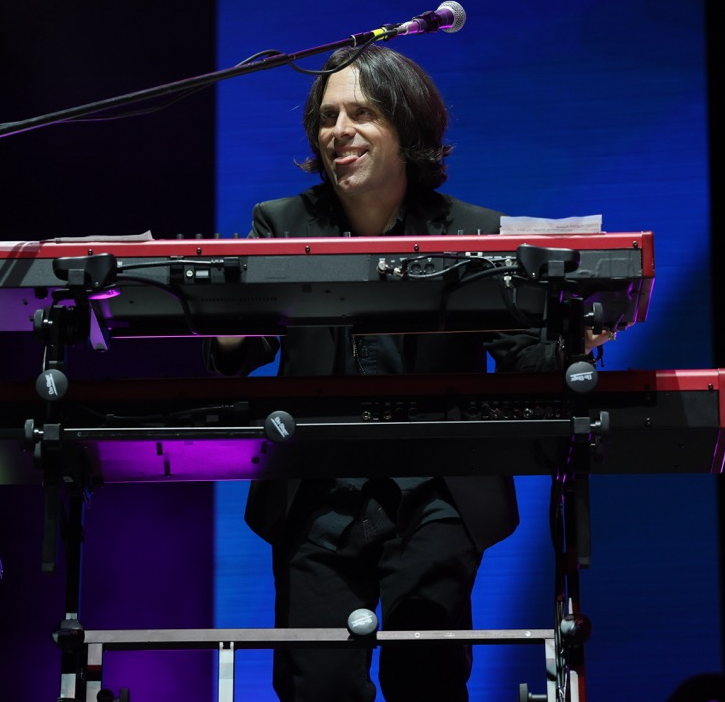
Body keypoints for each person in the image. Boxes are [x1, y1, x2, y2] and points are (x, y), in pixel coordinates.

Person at [205, 43, 613, 702]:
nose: (338, 131)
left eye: (361, 113)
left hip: (437, 492)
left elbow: (522, 357)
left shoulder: (473, 231)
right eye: (327, 117)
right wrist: (224, 317)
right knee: (318, 686)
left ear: (407, 128)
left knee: (426, 679)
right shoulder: (281, 223)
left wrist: (579, 339)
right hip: (316, 493)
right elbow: (239, 350)